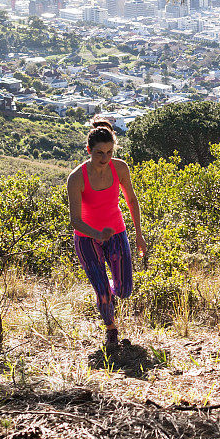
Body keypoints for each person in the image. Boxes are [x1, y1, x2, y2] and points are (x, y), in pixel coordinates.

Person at [67, 118, 147, 347]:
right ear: (88, 150)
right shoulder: (77, 178)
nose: (104, 159)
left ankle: (109, 292)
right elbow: (75, 220)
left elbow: (131, 200)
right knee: (101, 291)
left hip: (117, 232)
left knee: (124, 290)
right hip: (86, 239)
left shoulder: (120, 167)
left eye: (109, 152)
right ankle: (111, 327)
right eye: (99, 153)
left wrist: (139, 235)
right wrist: (97, 234)